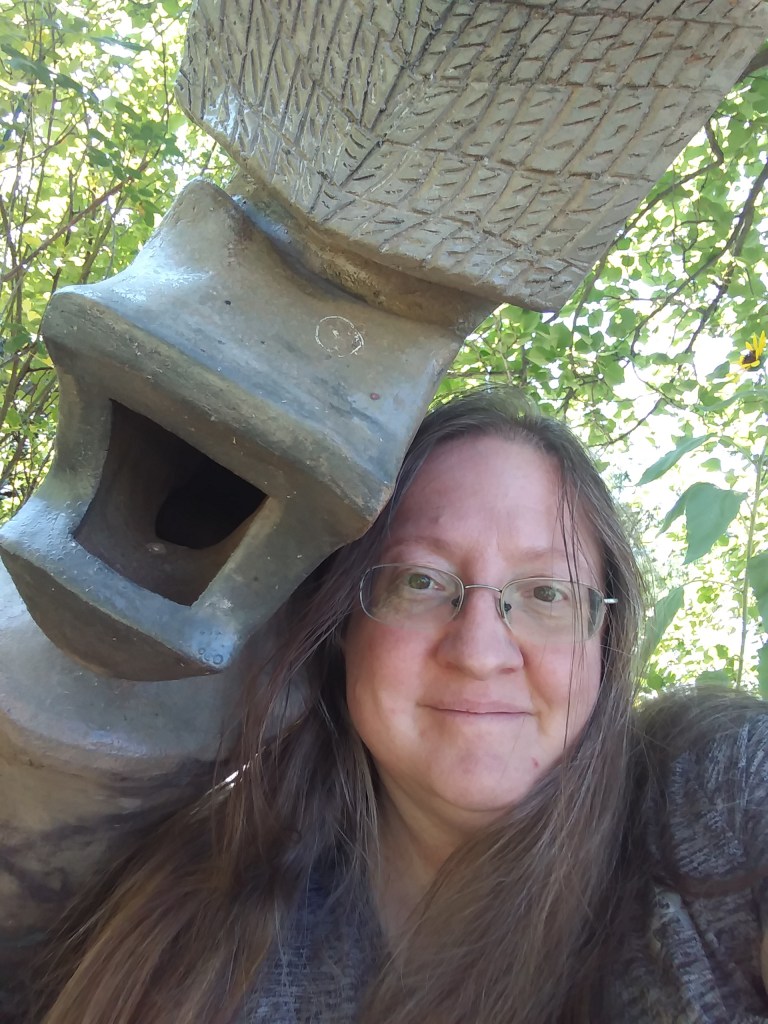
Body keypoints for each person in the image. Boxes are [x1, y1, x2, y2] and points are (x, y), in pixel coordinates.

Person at [33, 388, 768, 1023]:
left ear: (604, 641)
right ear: (340, 631)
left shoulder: (708, 804)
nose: (481, 651)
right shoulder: (197, 925)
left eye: (546, 594)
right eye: (420, 582)